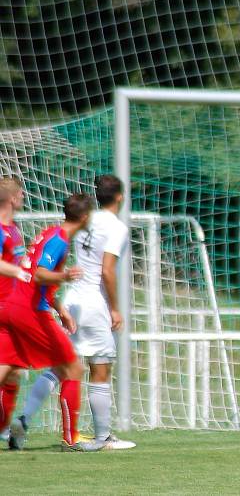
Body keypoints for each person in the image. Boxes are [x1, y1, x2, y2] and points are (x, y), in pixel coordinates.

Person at [12, 176, 135, 451]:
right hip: (93, 302)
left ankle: (25, 418)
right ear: (119, 197)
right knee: (100, 368)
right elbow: (106, 270)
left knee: (60, 367)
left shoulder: (84, 222)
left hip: (73, 298)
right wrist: (115, 307)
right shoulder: (115, 227)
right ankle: (103, 438)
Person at [0, 193, 97, 452]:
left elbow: (33, 274)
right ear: (85, 217)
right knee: (72, 368)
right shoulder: (59, 240)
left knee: (6, 369)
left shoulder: (49, 232)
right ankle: (71, 438)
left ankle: (20, 424)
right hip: (29, 312)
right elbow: (41, 274)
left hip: (12, 306)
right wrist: (65, 275)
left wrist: (61, 309)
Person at [0, 178, 31, 445]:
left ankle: (3, 429)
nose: (24, 196)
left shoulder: (15, 229)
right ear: (12, 198)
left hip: (13, 309)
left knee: (14, 373)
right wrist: (20, 272)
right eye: (21, 193)